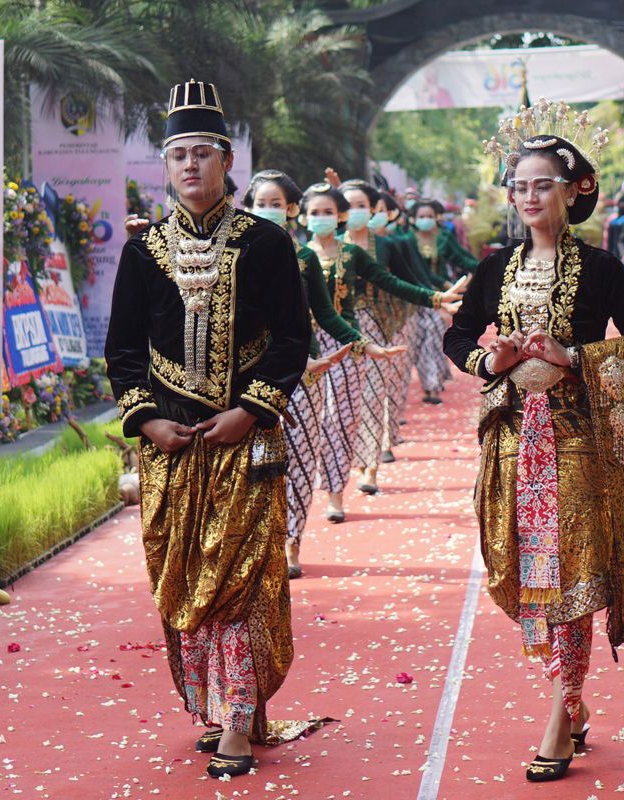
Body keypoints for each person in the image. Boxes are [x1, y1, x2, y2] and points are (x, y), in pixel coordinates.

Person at [105, 80, 319, 778]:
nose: (191, 167)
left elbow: (293, 338)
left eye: (203, 153)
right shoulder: (143, 251)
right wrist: (147, 420)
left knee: (244, 583)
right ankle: (227, 703)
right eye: (178, 156)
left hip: (246, 440)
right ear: (165, 166)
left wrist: (251, 408)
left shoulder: (266, 243)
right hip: (173, 444)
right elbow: (124, 349)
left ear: (228, 160)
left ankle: (236, 719)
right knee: (186, 576)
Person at [445, 100, 624, 783]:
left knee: (570, 577)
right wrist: (493, 361)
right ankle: (570, 697)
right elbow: (458, 337)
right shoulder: (493, 270)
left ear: (575, 192)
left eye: (544, 184)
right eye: (520, 186)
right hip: (511, 441)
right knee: (527, 577)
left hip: (574, 439)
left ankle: (560, 715)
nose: (530, 197)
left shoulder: (599, 270)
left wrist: (575, 357)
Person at [303, 182, 461, 519]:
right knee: (314, 421)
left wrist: (435, 299)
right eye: (315, 212)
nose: (321, 217)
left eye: (329, 211)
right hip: (305, 344)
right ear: (301, 215)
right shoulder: (298, 255)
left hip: (361, 335)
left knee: (349, 414)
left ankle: (342, 487)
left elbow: (395, 282)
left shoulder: (360, 252)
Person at [241, 169, 356, 578]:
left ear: (291, 210)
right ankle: (257, 543)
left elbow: (323, 314)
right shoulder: (236, 253)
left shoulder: (304, 257)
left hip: (304, 375)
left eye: (276, 204)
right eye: (260, 204)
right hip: (250, 376)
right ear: (248, 207)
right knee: (253, 464)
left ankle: (292, 541)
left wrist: (360, 344)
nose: (268, 211)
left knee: (301, 459)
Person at [405, 199, 478, 404]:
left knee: (433, 340)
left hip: (441, 299)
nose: (425, 220)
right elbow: (415, 271)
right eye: (421, 217)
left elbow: (465, 260)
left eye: (429, 216)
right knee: (420, 343)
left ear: (437, 217)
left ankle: (432, 386)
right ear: (413, 219)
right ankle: (432, 380)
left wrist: (476, 275)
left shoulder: (443, 238)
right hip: (414, 297)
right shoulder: (406, 240)